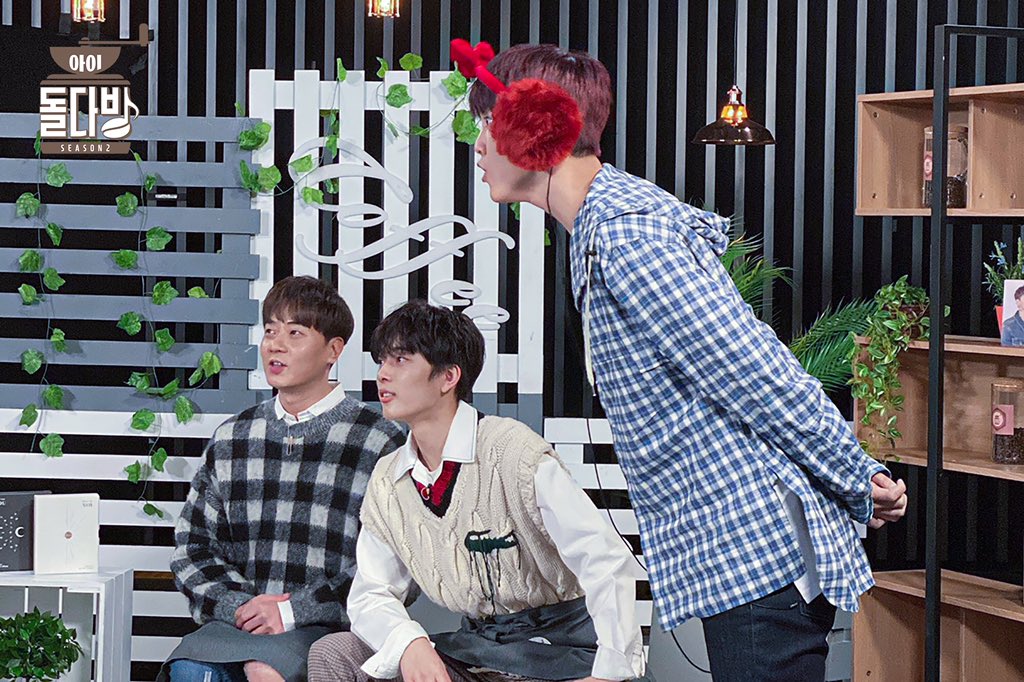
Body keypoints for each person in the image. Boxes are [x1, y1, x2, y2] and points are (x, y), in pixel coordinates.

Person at [462, 42, 909, 680]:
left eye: (488, 122)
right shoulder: (599, 230)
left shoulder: (625, 234)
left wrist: (857, 475)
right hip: (738, 552)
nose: (479, 144)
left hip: (757, 547)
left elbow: (758, 374)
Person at [307, 299, 650, 682]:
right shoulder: (389, 479)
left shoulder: (513, 452)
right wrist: (409, 643)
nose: (383, 374)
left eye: (400, 360)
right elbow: (370, 592)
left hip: (564, 649)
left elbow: (605, 559)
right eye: (382, 361)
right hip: (479, 649)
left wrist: (611, 670)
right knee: (335, 653)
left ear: (448, 377)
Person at [160, 276, 405, 682]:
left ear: (333, 350)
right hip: (236, 623)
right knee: (190, 671)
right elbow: (194, 548)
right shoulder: (233, 437)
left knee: (268, 670)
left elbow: (392, 566)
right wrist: (242, 607)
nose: (275, 345)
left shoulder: (378, 441)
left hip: (329, 629)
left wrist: (292, 610)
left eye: (295, 333)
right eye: (270, 331)